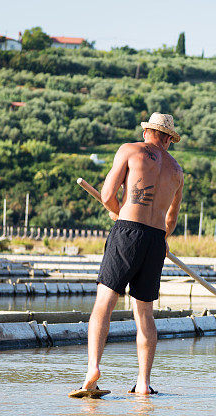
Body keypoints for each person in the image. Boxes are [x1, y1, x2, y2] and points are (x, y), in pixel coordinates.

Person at [70, 113, 183, 398]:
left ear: (148, 132)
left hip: (127, 231)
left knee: (104, 302)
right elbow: (170, 221)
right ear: (168, 138)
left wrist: (116, 210)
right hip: (156, 240)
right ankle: (143, 382)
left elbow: (108, 194)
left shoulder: (130, 150)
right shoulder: (177, 171)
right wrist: (161, 241)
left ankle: (92, 369)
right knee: (144, 313)